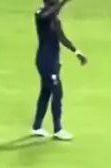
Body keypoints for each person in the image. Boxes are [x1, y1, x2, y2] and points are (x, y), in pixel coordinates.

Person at [31, 0, 87, 141]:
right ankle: (58, 129)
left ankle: (37, 126)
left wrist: (76, 52)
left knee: (46, 92)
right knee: (57, 92)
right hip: (45, 61)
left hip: (53, 61)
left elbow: (62, 38)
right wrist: (64, 2)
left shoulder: (54, 19)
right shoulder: (41, 14)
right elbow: (51, 12)